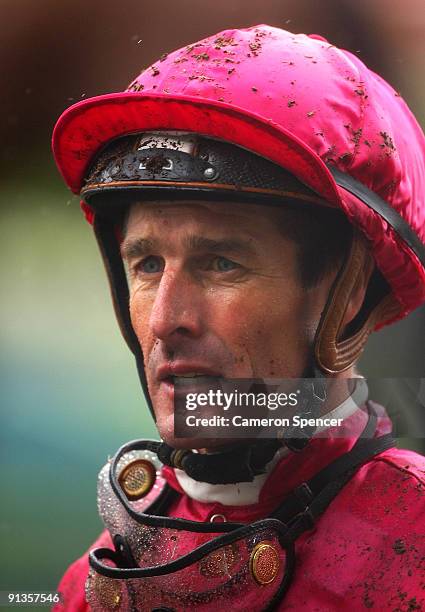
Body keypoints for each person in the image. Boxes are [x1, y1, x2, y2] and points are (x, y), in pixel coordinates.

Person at [52, 25, 425, 611]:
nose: (166, 320)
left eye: (221, 263)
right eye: (147, 264)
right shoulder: (93, 583)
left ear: (347, 293)